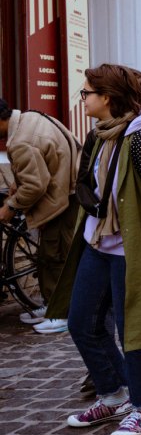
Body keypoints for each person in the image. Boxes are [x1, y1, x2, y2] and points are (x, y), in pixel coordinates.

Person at [46, 63, 141, 435]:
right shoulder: (100, 137)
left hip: (133, 251)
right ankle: (113, 394)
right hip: (97, 245)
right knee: (82, 323)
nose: (83, 99)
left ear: (106, 97)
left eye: (87, 93)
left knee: (136, 330)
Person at [0, 97, 82, 334]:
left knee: (55, 255)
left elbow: (35, 185)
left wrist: (10, 207)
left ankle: (61, 314)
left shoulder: (20, 141)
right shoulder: (31, 117)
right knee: (51, 253)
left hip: (61, 197)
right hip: (68, 189)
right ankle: (51, 305)